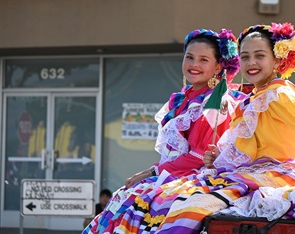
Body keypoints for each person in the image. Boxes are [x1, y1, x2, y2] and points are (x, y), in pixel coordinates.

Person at [84, 22, 295, 234]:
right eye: (245, 57)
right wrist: (217, 159)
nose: (251, 63)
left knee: (184, 204)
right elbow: (246, 148)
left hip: (276, 172)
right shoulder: (253, 98)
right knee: (170, 200)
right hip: (252, 172)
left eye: (260, 56)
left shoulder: (278, 94)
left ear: (279, 60)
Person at [83, 28, 244, 233]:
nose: (194, 64)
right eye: (189, 57)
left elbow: (198, 156)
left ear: (218, 66)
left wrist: (154, 171)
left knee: (138, 203)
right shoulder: (184, 98)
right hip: (177, 171)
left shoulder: (215, 103)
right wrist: (152, 171)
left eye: (204, 60)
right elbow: (175, 153)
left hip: (198, 173)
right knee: (124, 197)